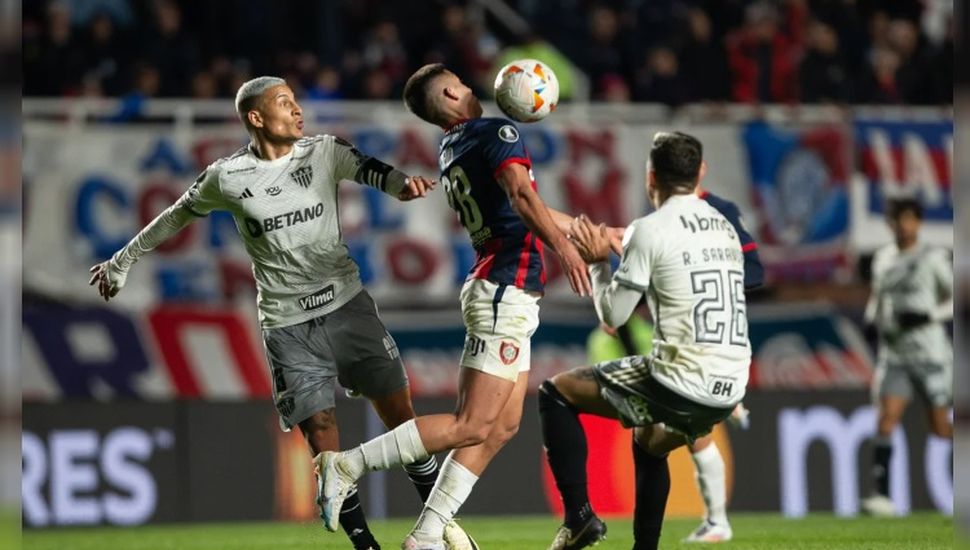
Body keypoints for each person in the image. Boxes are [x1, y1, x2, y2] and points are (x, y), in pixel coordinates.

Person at [87, 76, 475, 550]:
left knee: (402, 417)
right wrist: (121, 261)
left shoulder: (324, 151)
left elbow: (373, 170)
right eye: (284, 103)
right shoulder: (226, 177)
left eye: (295, 101)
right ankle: (366, 546)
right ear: (256, 117)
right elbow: (174, 216)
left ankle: (441, 527)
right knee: (323, 439)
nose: (297, 110)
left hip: (348, 306)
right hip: (288, 325)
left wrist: (403, 185)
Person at [316, 63, 594, 550]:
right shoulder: (498, 131)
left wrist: (586, 233)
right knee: (472, 423)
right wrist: (566, 247)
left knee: (500, 426)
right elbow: (522, 196)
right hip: (503, 288)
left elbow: (525, 205)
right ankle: (346, 464)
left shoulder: (455, 146)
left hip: (506, 289)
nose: (471, 87)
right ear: (449, 92)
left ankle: (426, 535)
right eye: (463, 83)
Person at [539, 131, 751, 550]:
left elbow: (613, 316)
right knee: (650, 441)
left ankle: (579, 518)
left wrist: (599, 262)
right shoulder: (726, 228)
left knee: (555, 393)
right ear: (700, 174)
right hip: (732, 383)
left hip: (681, 378)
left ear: (650, 176)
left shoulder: (649, 229)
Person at [861, 198, 953, 516]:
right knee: (886, 421)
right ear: (891, 224)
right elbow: (877, 297)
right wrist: (870, 320)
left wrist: (927, 315)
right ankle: (882, 497)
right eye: (899, 220)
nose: (904, 225)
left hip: (931, 354)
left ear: (919, 222)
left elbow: (955, 299)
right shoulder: (884, 258)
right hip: (896, 354)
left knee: (941, 428)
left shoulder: (933, 257)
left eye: (910, 219)